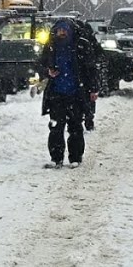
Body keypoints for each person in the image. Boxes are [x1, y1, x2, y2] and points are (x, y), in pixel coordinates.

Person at [38, 18, 99, 167]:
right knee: (56, 127)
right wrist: (48, 71)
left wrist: (93, 89)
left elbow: (90, 68)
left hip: (76, 93)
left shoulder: (81, 45)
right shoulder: (51, 46)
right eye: (59, 30)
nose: (62, 33)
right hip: (56, 93)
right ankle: (56, 158)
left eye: (65, 30)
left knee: (75, 126)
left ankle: (75, 158)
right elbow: (41, 64)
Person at [69, 16, 104, 131]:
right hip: (87, 71)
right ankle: (89, 119)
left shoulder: (72, 41)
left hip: (79, 72)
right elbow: (99, 53)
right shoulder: (87, 38)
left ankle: (78, 118)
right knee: (89, 96)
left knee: (81, 96)